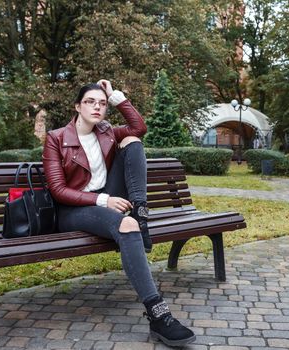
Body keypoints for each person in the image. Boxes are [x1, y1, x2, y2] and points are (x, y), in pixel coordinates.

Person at [42, 80, 196, 346]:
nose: (97, 107)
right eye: (90, 101)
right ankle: (159, 316)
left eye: (102, 103)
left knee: (133, 141)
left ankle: (141, 213)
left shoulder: (106, 132)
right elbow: (58, 190)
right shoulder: (56, 139)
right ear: (77, 106)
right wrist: (103, 200)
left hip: (109, 198)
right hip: (73, 209)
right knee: (126, 226)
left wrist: (116, 96)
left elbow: (139, 128)